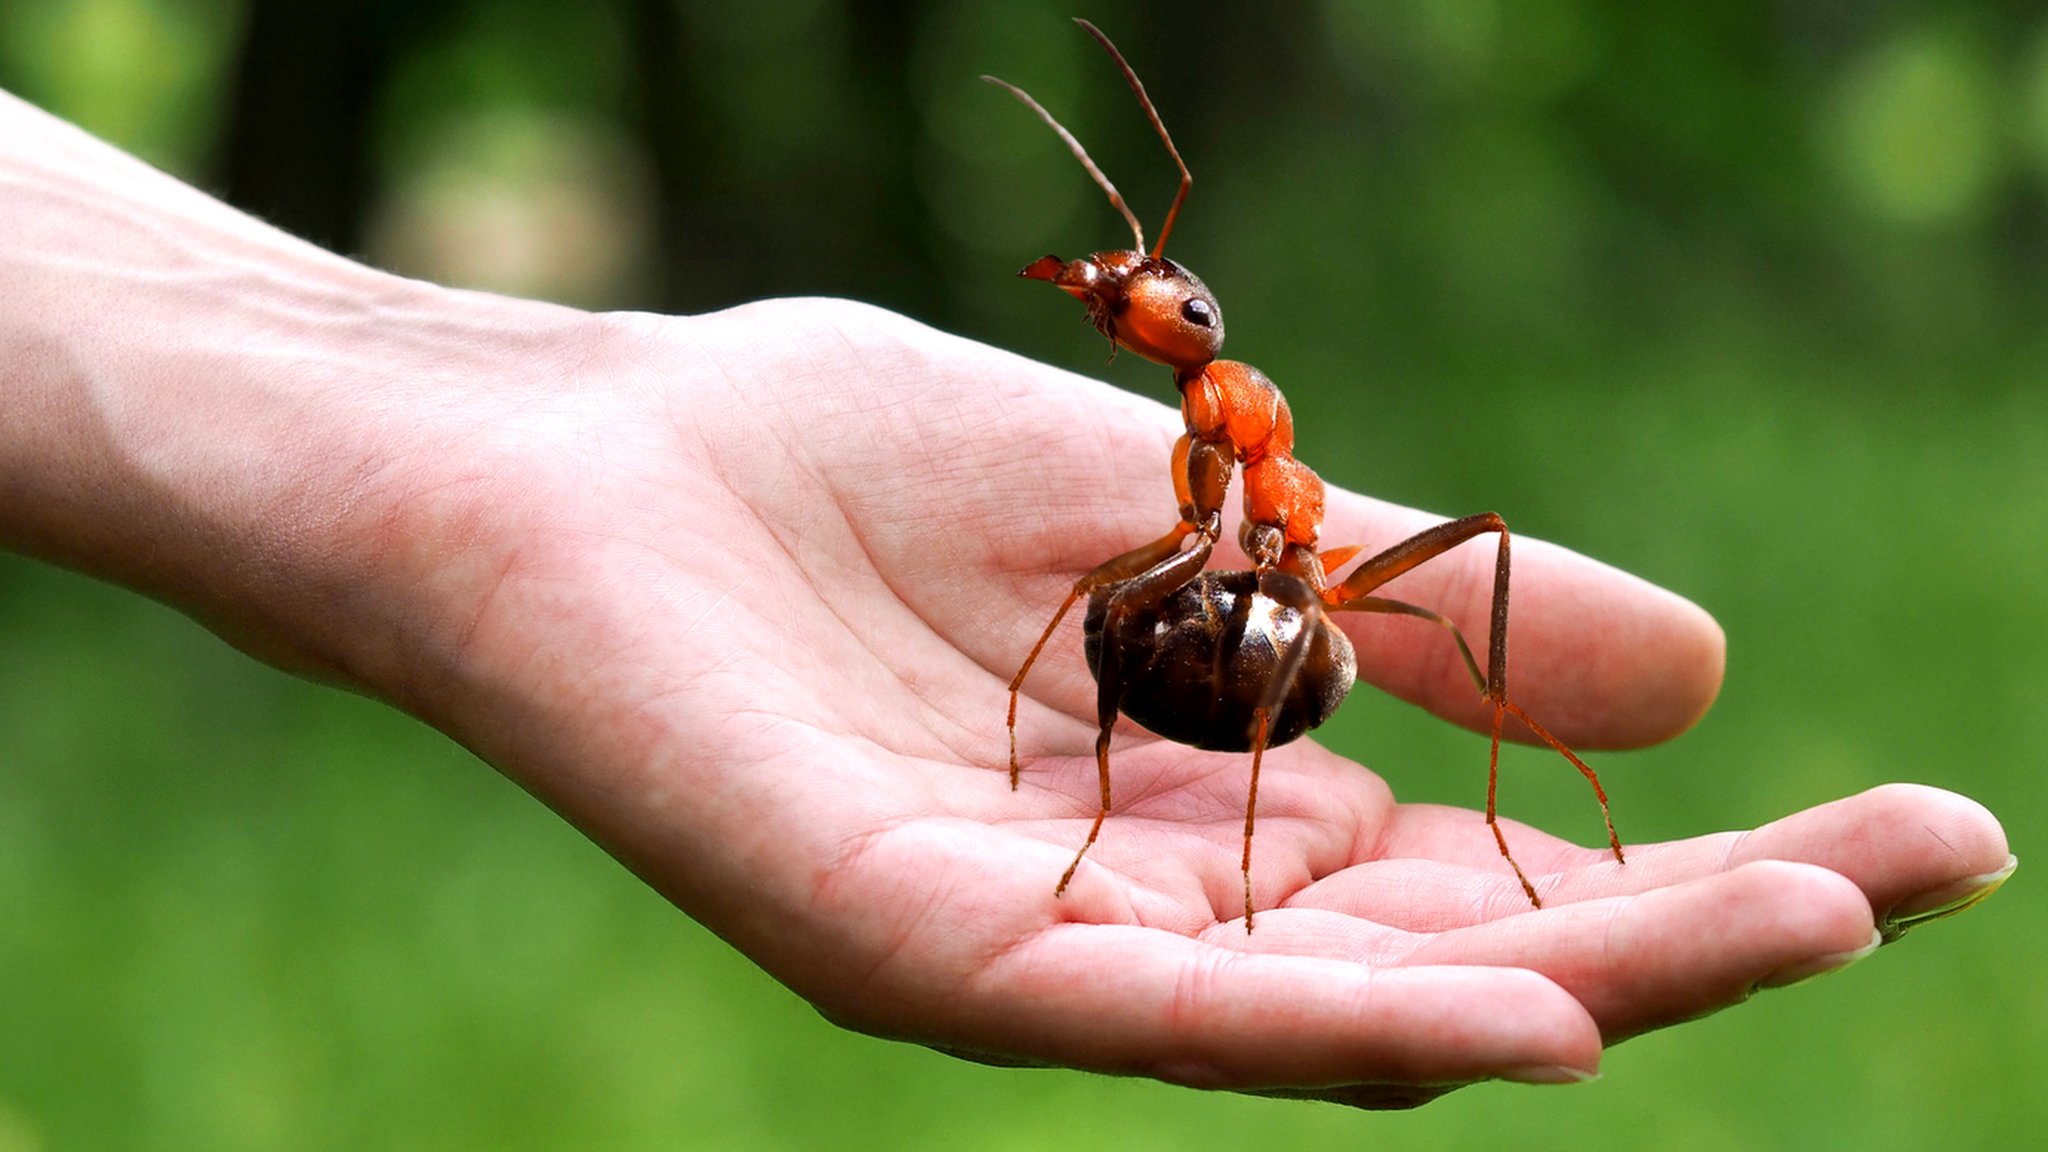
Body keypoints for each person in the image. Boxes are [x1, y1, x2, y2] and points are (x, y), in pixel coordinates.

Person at [0, 89, 2013, 1110]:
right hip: (1229, 619)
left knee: (1443, 569)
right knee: (1177, 594)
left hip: (1287, 643)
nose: (1131, 306)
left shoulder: (1254, 485)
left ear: (1193, 345)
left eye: (1147, 299)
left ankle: (1509, 805)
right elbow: (1171, 515)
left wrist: (1243, 603)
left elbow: (1249, 546)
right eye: (1135, 298)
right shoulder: (1196, 463)